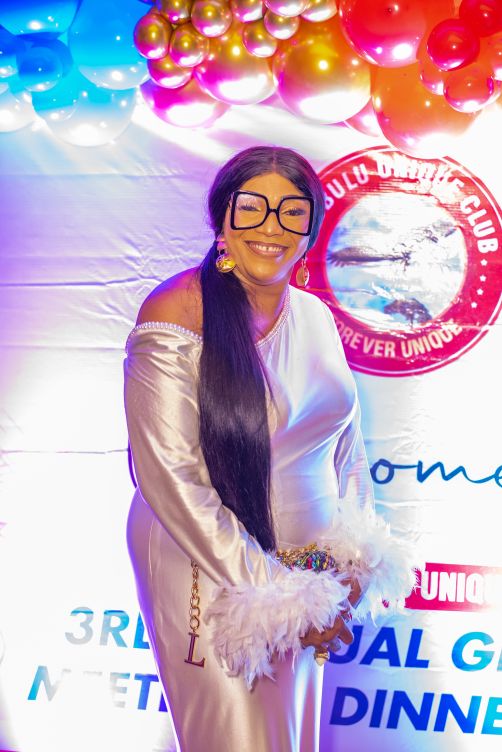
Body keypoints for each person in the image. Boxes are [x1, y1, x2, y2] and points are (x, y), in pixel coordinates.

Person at [123, 146, 415, 752]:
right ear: (222, 217)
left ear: (311, 229)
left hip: (312, 575)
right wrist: (286, 598)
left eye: (292, 212)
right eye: (253, 207)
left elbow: (346, 445)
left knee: (290, 739)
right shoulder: (177, 313)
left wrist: (354, 563)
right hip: (212, 570)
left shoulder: (315, 315)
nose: (272, 227)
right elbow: (172, 478)